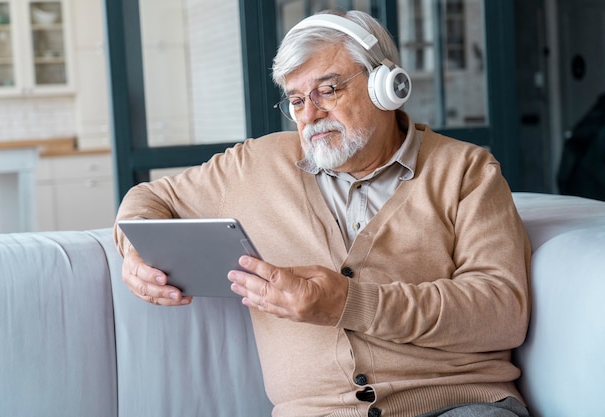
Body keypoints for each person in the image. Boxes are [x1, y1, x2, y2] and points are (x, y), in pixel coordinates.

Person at [114, 9, 532, 417]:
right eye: (296, 100)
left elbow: (502, 311)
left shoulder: (467, 171)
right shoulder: (253, 166)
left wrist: (352, 303)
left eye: (328, 91)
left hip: (456, 402)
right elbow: (148, 198)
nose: (310, 115)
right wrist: (136, 256)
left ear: (386, 85)